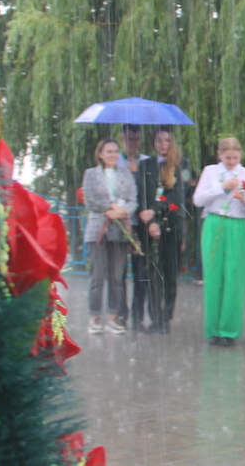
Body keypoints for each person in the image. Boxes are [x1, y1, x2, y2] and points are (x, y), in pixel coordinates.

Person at [192, 136, 245, 346]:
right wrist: (221, 187)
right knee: (213, 276)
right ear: (219, 155)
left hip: (238, 224)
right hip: (214, 223)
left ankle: (229, 331)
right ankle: (213, 329)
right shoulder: (210, 171)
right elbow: (197, 200)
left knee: (235, 277)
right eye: (227, 157)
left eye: (235, 157)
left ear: (240, 155)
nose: (231, 161)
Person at [137, 127, 192, 333]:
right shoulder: (146, 165)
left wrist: (155, 211)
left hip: (172, 225)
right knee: (152, 273)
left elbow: (178, 195)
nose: (163, 145)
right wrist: (146, 215)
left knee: (169, 273)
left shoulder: (181, 165)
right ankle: (154, 317)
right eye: (159, 140)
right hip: (148, 226)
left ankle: (166, 317)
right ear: (153, 143)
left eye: (167, 140)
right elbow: (142, 192)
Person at [82, 138, 139, 335]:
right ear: (100, 155)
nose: (113, 155)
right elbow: (89, 200)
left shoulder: (126, 174)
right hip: (98, 229)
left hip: (120, 229)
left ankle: (113, 318)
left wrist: (121, 212)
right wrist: (110, 207)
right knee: (97, 277)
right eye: (109, 152)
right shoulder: (90, 174)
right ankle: (94, 317)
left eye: (116, 151)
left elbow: (133, 200)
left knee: (117, 277)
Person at [119, 124, 151, 331]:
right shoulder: (115, 160)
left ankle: (138, 316)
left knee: (141, 273)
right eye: (129, 139)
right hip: (121, 222)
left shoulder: (147, 162)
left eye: (136, 139)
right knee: (119, 272)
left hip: (142, 224)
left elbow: (150, 190)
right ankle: (121, 314)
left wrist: (138, 174)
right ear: (122, 138)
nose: (133, 143)